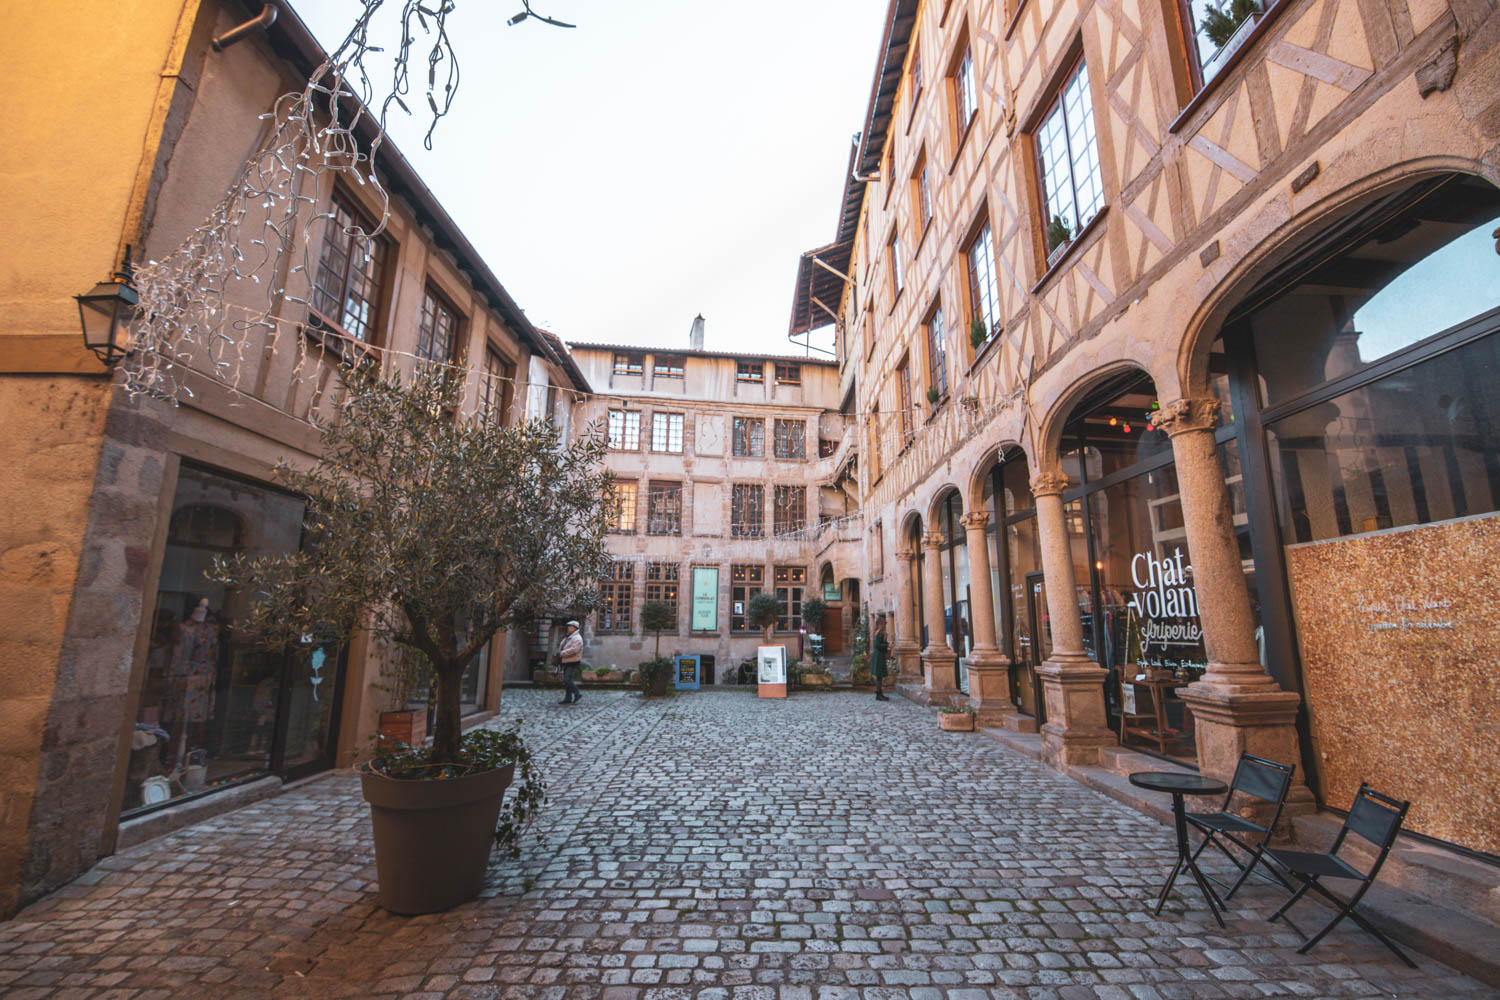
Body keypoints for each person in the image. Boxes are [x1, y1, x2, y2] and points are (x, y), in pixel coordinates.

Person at [558, 620, 584, 705]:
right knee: (566, 680)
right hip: (566, 661)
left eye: (571, 627)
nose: (568, 628)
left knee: (567, 679)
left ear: (575, 628)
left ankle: (577, 693)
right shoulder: (569, 637)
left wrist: (562, 653)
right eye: (568, 626)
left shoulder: (577, 638)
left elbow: (574, 650)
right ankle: (568, 698)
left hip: (573, 661)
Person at [871, 614, 890, 702]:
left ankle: (879, 693)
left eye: (885, 624)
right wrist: (888, 645)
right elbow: (877, 645)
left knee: (879, 676)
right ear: (879, 624)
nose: (884, 625)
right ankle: (879, 694)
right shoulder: (880, 633)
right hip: (879, 655)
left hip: (878, 655)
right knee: (879, 675)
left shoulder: (877, 632)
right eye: (883, 624)